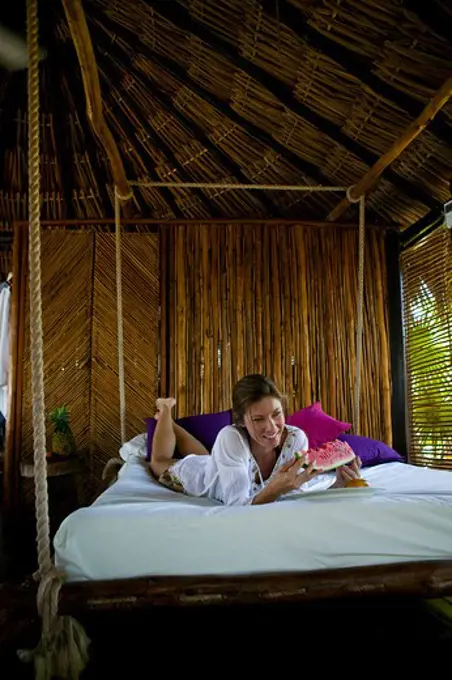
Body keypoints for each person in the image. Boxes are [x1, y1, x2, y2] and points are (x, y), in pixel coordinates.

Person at [150, 373, 362, 506]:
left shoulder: (297, 439)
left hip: (218, 463)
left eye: (276, 414)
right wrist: (274, 488)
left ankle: (172, 424)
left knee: (205, 456)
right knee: (160, 461)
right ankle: (165, 408)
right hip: (201, 478)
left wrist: (336, 486)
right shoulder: (230, 437)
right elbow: (237, 508)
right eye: (259, 419)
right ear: (241, 421)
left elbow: (294, 498)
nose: (271, 427)